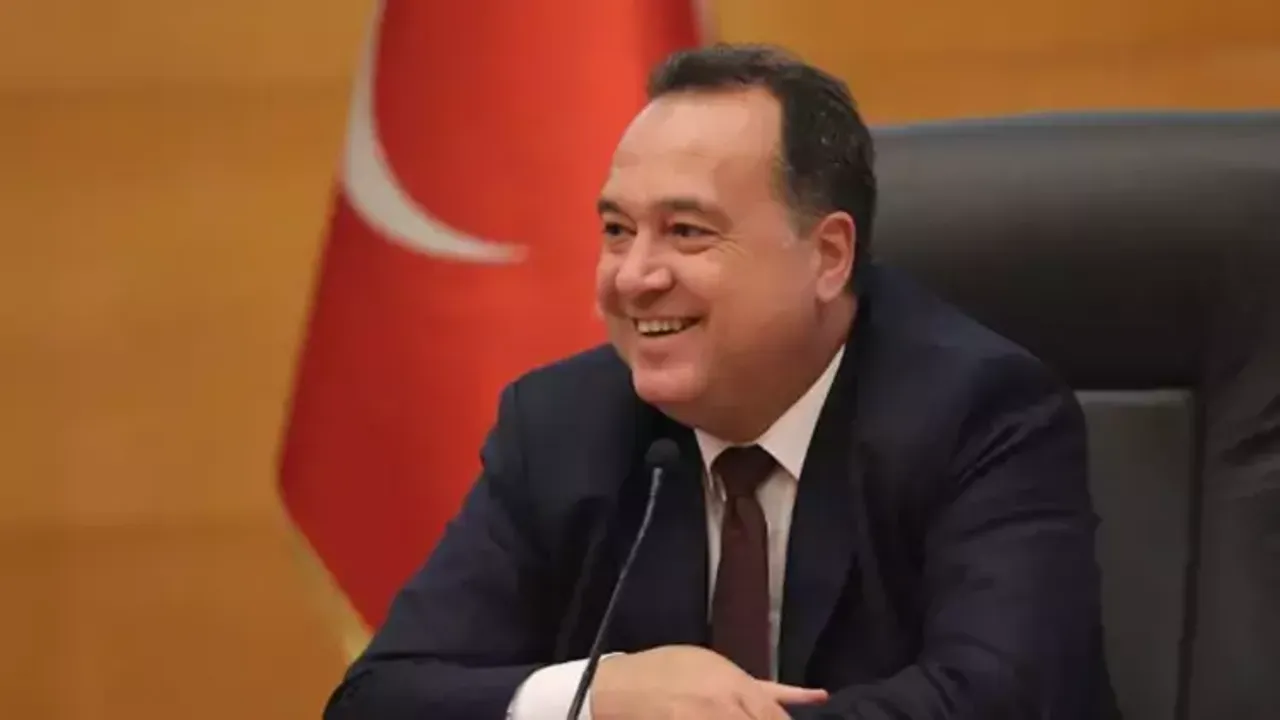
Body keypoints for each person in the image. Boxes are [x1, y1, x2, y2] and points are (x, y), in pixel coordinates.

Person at [321, 44, 1118, 719]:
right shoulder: (563, 424)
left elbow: (1002, 702)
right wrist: (600, 697)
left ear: (828, 256)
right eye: (617, 230)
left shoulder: (980, 414)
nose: (634, 277)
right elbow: (379, 699)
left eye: (686, 232)